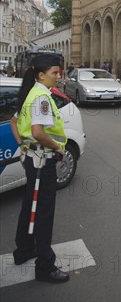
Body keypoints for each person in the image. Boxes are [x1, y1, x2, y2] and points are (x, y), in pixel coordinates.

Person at [10, 53, 70, 283]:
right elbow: (37, 132)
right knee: (44, 212)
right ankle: (45, 266)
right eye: (55, 72)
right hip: (43, 161)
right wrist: (58, 147)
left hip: (30, 159)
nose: (58, 76)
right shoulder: (42, 97)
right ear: (41, 74)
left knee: (29, 205)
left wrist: (21, 144)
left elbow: (15, 122)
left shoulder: (31, 93)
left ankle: (24, 249)